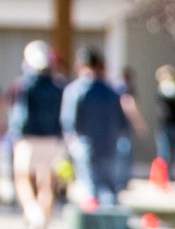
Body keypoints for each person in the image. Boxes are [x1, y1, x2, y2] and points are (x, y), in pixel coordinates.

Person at [61, 47, 143, 208]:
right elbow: (122, 123)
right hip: (109, 146)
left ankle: (94, 228)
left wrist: (71, 141)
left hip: (86, 146)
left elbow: (69, 121)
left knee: (90, 190)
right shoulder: (112, 91)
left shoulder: (76, 90)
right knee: (110, 190)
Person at [6, 42, 68, 229]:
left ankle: (33, 212)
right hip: (52, 139)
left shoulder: (23, 86)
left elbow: (18, 114)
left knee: (22, 178)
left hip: (28, 138)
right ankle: (43, 219)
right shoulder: (59, 86)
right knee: (47, 181)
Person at [154, 66, 175, 181]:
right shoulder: (163, 90)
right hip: (165, 127)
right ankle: (163, 179)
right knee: (165, 155)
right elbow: (167, 92)